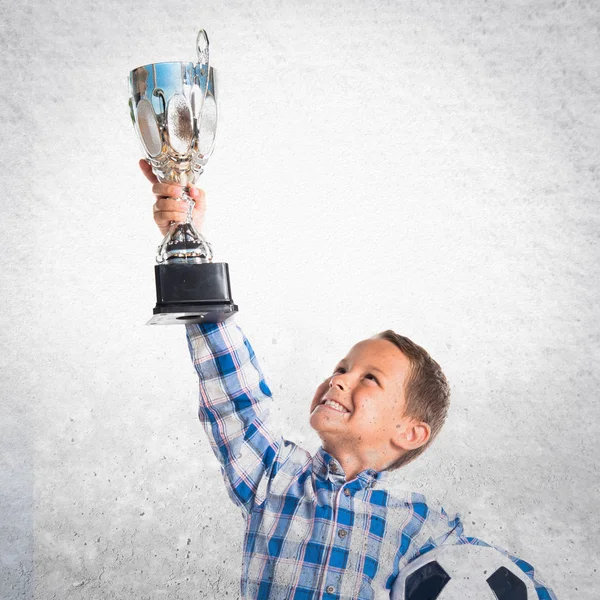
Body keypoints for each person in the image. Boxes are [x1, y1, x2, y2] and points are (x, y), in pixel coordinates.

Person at [140, 160, 557, 600]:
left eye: (369, 379)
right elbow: (233, 395)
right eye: (341, 369)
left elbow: (510, 583)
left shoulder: (423, 526)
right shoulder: (274, 476)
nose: (339, 380)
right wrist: (187, 247)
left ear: (410, 432)